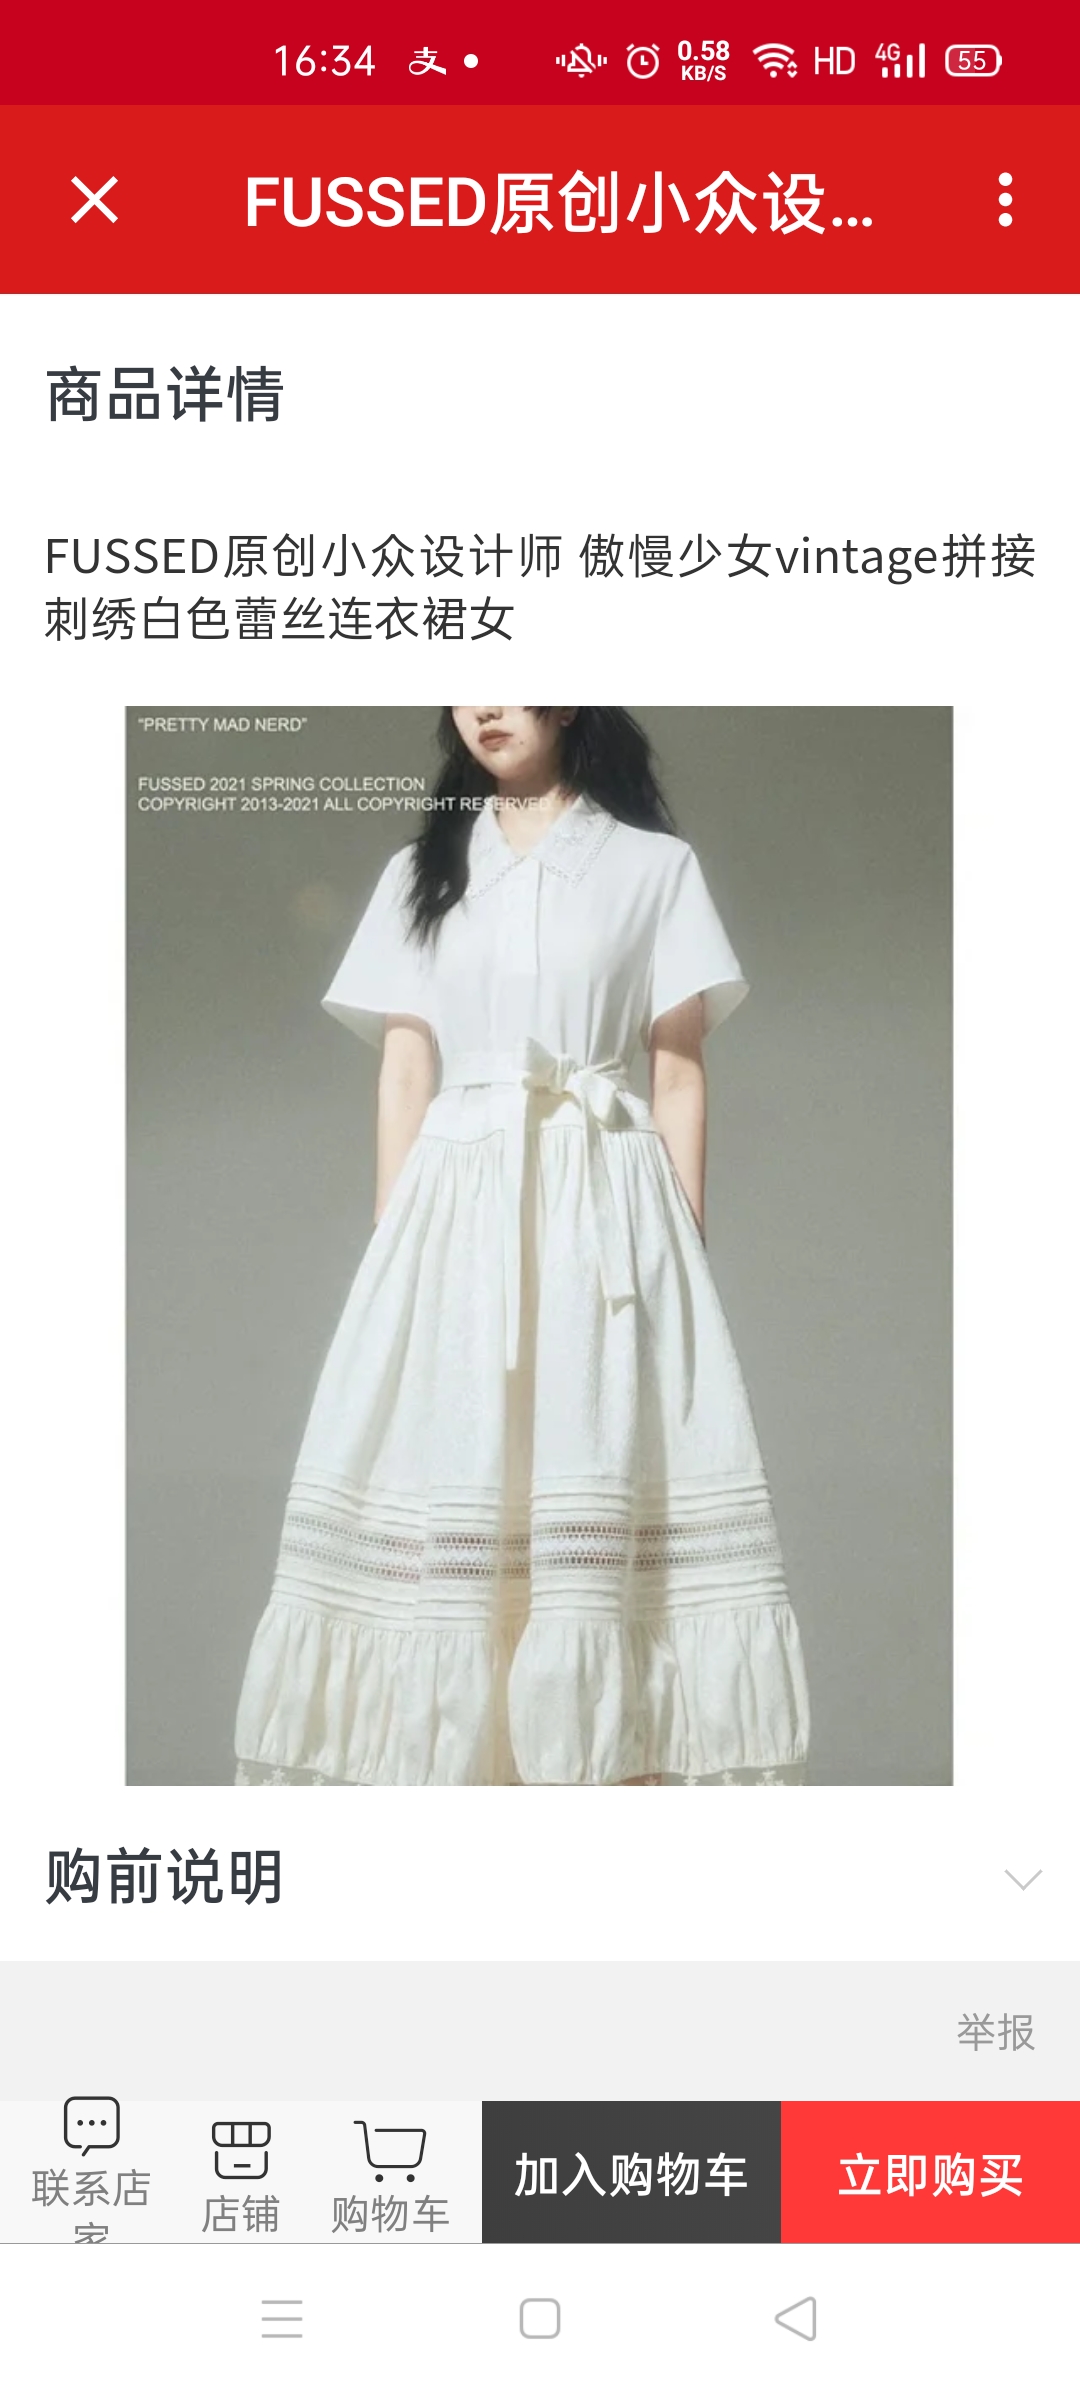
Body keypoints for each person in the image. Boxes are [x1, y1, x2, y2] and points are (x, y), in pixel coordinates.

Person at [235, 706, 810, 1785]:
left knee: (606, 1494)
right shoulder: (423, 869)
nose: (487, 705)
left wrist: (679, 1257)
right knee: (456, 1493)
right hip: (458, 1207)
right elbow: (407, 1069)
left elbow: (677, 1071)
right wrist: (396, 1252)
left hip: (607, 1202)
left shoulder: (655, 868)